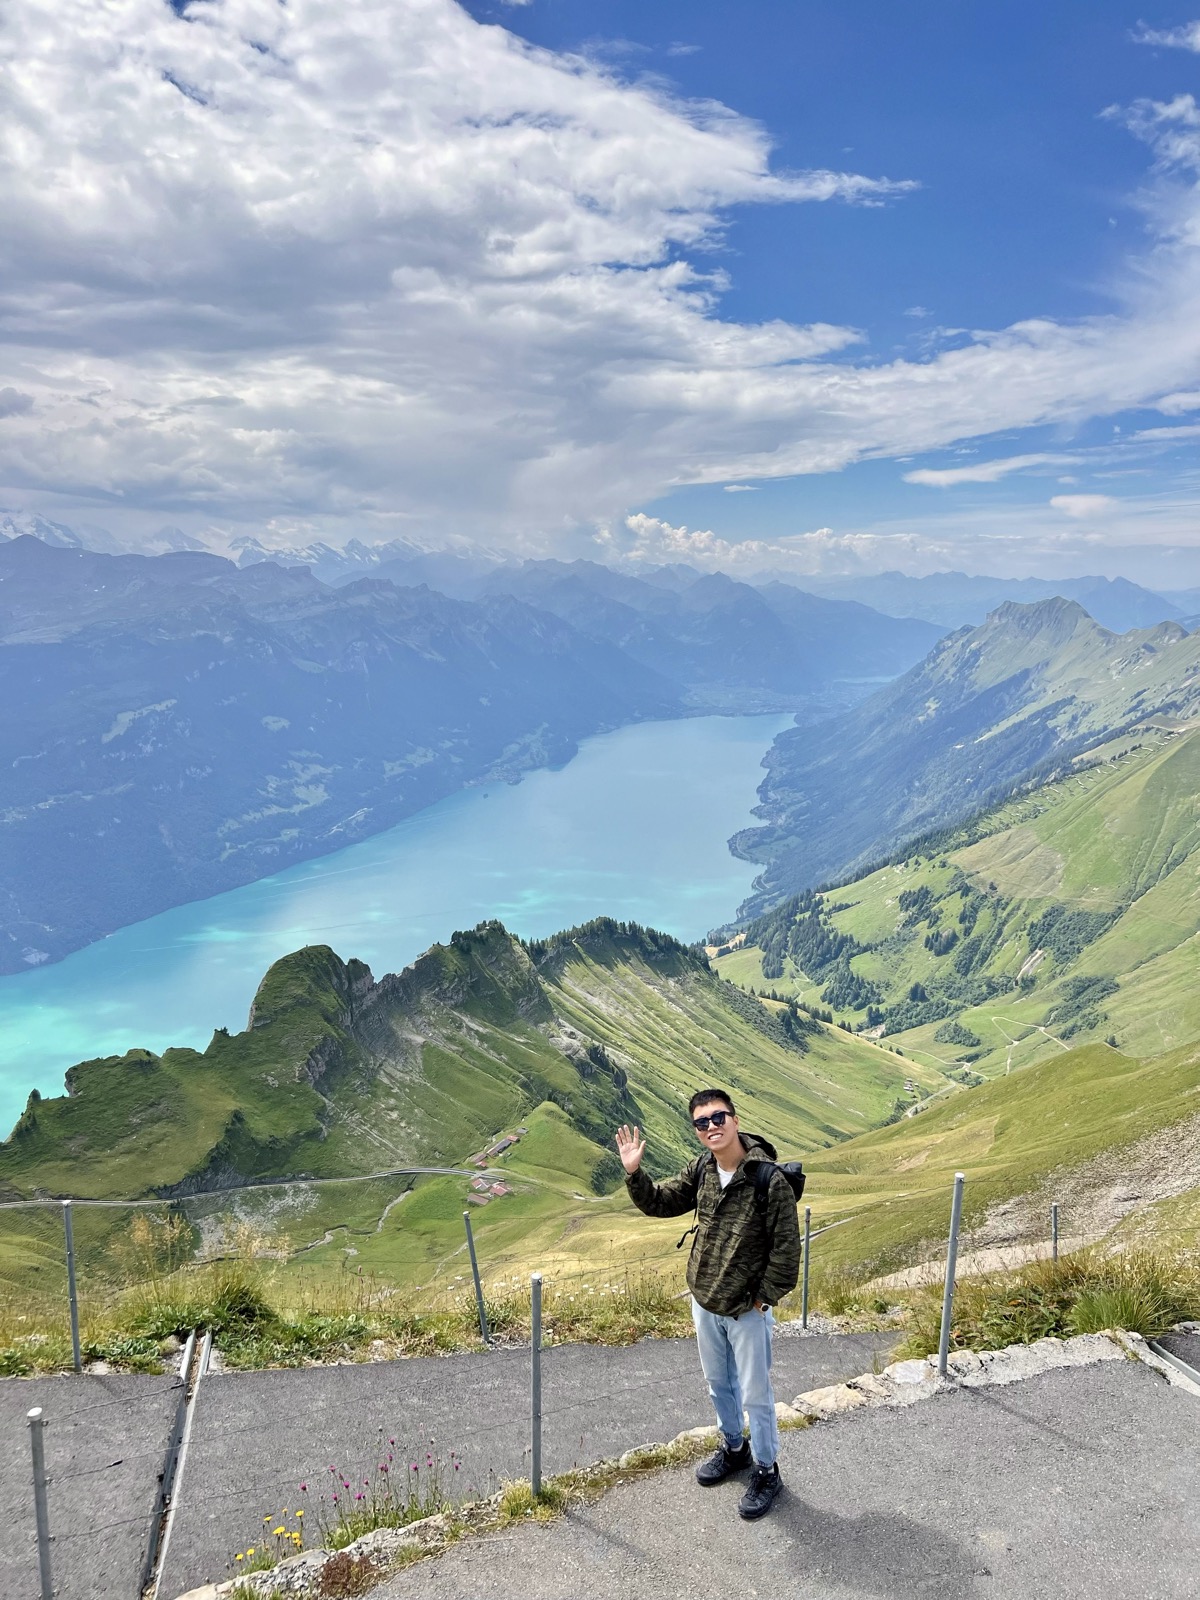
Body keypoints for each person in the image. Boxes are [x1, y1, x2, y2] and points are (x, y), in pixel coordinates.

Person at [615, 1089, 801, 1520]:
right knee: (719, 1386)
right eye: (702, 1122)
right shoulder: (702, 1168)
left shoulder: (767, 1180)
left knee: (756, 1395)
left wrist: (762, 1298)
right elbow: (662, 1203)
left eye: (718, 1118)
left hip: (746, 1311)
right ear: (697, 1132)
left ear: (735, 1120)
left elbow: (787, 1253)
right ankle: (734, 1449)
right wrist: (634, 1173)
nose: (711, 1127)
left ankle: (767, 1470)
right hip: (705, 1303)